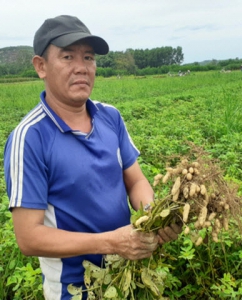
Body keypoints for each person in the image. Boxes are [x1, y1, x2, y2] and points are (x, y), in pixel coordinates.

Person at [3, 15, 181, 300]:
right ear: (41, 67)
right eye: (67, 57)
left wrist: (152, 219)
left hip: (127, 275)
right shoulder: (30, 138)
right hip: (74, 290)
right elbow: (29, 237)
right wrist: (112, 242)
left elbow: (135, 181)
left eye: (88, 57)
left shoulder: (110, 117)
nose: (81, 68)